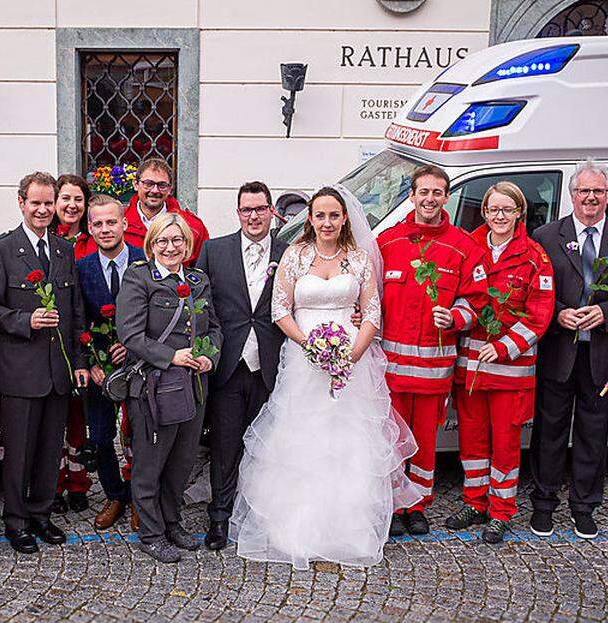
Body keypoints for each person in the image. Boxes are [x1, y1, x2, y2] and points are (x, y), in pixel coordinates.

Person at [230, 186, 420, 570]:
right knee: (302, 439)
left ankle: (347, 529)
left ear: (345, 218)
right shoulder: (295, 257)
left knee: (348, 441)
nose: (327, 222)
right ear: (310, 218)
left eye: (334, 215)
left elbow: (371, 313)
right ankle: (295, 527)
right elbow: (280, 310)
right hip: (304, 362)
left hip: (352, 365)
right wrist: (310, 347)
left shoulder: (360, 259)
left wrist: (351, 355)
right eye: (320, 215)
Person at [529, 160, 608, 539]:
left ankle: (584, 505)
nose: (590, 197)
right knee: (549, 430)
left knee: (593, 434)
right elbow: (535, 293)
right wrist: (558, 314)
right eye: (584, 191)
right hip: (558, 350)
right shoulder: (546, 235)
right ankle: (544, 503)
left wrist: (607, 312)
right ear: (572, 194)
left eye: (598, 191)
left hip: (603, 355)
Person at [0, 172, 88, 555]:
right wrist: (25, 321)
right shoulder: (0, 250)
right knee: (20, 452)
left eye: (48, 203)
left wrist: (77, 361)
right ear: (21, 203)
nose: (42, 210)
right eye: (35, 203)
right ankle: (17, 521)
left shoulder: (62, 249)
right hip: (21, 371)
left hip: (58, 371)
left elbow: (74, 312)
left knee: (48, 450)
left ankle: (42, 514)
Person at [378, 165, 489, 536]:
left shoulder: (463, 246)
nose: (430, 199)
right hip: (390, 371)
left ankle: (417, 505)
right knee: (391, 439)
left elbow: (477, 301)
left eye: (437, 193)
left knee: (424, 442)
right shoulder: (388, 243)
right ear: (411, 196)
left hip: (432, 371)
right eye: (423, 192)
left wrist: (455, 317)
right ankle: (393, 505)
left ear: (447, 197)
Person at [448, 182, 554, 544]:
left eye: (507, 210)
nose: (500, 217)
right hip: (472, 368)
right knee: (472, 442)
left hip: (509, 371)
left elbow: (540, 315)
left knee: (505, 445)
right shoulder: (469, 248)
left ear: (519, 213)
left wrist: (506, 346)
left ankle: (501, 511)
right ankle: (474, 502)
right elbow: (461, 297)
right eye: (493, 210)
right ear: (484, 212)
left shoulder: (534, 256)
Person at [117, 213, 221, 563]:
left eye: (177, 240)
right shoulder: (138, 278)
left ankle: (172, 522)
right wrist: (170, 355)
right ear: (152, 244)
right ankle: (150, 533)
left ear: (187, 244)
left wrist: (209, 357)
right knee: (150, 464)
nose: (170, 246)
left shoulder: (197, 280)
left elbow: (215, 328)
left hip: (193, 386)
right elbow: (130, 334)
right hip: (154, 386)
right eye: (162, 240)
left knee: (181, 462)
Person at [194, 181, 288, 551]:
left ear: (271, 212)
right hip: (227, 366)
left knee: (266, 446)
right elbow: (200, 307)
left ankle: (260, 514)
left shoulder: (289, 252)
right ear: (238, 213)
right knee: (225, 444)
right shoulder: (214, 251)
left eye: (260, 209)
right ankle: (219, 516)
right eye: (247, 210)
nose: (253, 216)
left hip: (271, 365)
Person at [76, 194, 144, 530]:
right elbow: (77, 320)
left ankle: (137, 498)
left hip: (141, 367)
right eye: (98, 224)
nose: (105, 229)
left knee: (139, 436)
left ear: (124, 224)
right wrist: (90, 363)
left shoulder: (145, 261)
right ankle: (115, 494)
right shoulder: (82, 268)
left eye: (111, 222)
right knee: (101, 436)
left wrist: (133, 351)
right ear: (89, 228)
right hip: (100, 371)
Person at [51, 174, 93, 513]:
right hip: (53, 341)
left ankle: (79, 482)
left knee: (78, 419)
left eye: (78, 199)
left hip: (86, 339)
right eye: (65, 198)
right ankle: (55, 479)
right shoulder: (45, 239)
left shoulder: (93, 239)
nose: (71, 205)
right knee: (54, 419)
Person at [122, 158, 209, 267]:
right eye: (148, 184)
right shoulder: (117, 224)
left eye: (162, 185)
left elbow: (202, 274)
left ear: (170, 188)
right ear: (135, 184)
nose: (155, 190)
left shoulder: (192, 226)